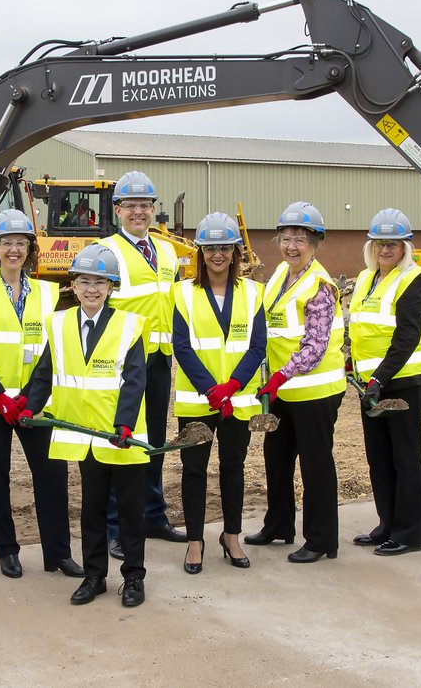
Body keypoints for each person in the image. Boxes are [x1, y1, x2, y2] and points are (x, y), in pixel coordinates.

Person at [23, 244, 151, 607]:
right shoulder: (59, 322)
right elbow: (45, 371)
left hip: (121, 438)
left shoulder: (129, 325)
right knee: (92, 509)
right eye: (84, 281)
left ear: (112, 287)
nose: (91, 288)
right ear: (73, 286)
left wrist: (124, 425)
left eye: (100, 282)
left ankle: (134, 578)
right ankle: (95, 576)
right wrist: (30, 407)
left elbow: (135, 378)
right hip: (84, 436)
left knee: (129, 510)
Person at [0, 209, 82, 579]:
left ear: (31, 248)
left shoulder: (47, 293)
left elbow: (50, 352)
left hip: (35, 403)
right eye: (6, 243)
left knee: (52, 475)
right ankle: (7, 551)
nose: (13, 249)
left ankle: (57, 553)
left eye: (20, 243)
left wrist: (31, 398)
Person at [250, 203, 348, 564]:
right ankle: (278, 524)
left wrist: (278, 376)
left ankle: (322, 539)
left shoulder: (321, 286)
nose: (292, 246)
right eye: (287, 238)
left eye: (301, 240)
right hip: (283, 390)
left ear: (315, 243)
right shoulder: (279, 274)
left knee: (315, 464)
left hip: (315, 391)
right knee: (276, 457)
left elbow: (315, 345)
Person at [171, 213, 266, 574]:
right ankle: (195, 541)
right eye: (210, 248)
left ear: (235, 251)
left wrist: (232, 386)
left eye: (224, 247)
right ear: (200, 252)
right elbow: (182, 346)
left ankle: (231, 536)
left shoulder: (253, 292)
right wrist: (211, 389)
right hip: (198, 400)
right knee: (194, 470)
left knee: (233, 468)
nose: (218, 254)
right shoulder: (182, 292)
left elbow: (257, 347)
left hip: (237, 400)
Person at [98, 170, 186, 559]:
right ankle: (115, 526)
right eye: (130, 204)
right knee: (121, 441)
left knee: (153, 442)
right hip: (123, 365)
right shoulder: (107, 252)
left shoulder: (167, 251)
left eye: (145, 204)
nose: (139, 211)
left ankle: (153, 515)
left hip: (159, 361)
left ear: (154, 209)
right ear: (118, 209)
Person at [348, 208, 421, 556]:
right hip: (371, 384)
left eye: (393, 244)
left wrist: (380, 378)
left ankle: (411, 532)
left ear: (405, 247)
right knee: (379, 458)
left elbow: (407, 337)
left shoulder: (413, 280)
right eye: (381, 243)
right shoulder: (367, 278)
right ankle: (388, 524)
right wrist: (354, 364)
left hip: (402, 382)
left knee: (405, 458)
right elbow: (360, 327)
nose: (386, 250)